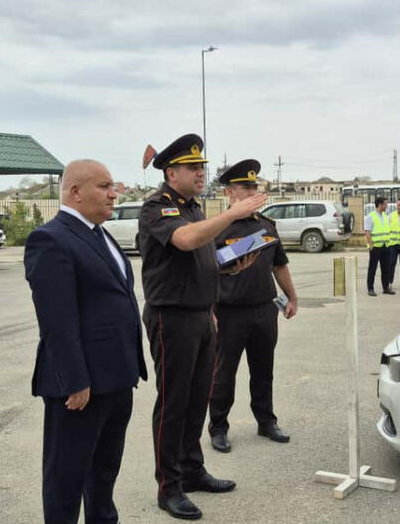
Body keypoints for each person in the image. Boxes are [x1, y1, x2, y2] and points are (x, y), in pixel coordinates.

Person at [139, 134, 266, 520]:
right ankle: (169, 487)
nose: (201, 172)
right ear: (171, 172)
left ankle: (192, 471)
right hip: (171, 317)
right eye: (193, 167)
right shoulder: (157, 207)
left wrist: (230, 262)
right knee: (173, 404)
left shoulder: (194, 207)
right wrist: (232, 214)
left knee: (197, 401)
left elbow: (202, 253)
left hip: (201, 315)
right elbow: (185, 240)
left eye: (202, 166)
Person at [24, 159, 148, 524]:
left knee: (104, 472)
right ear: (75, 192)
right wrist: (75, 382)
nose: (114, 194)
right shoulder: (51, 238)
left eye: (113, 187)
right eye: (104, 186)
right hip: (82, 389)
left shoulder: (100, 233)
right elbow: (56, 321)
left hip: (116, 378)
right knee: (67, 478)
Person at [208, 160, 298, 454]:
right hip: (229, 311)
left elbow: (279, 265)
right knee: (224, 373)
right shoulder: (218, 228)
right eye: (245, 187)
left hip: (263, 309)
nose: (251, 191)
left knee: (264, 369)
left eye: (254, 187)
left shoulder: (266, 226)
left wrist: (292, 297)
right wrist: (209, 311)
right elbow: (205, 273)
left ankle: (266, 421)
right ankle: (218, 428)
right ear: (230, 192)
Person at [364, 197, 394, 296]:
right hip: (376, 247)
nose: (387, 206)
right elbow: (367, 232)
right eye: (385, 204)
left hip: (386, 246)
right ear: (380, 205)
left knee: (386, 269)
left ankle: (386, 288)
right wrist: (371, 245)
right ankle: (370, 289)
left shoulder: (385, 216)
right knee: (372, 268)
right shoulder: (370, 216)